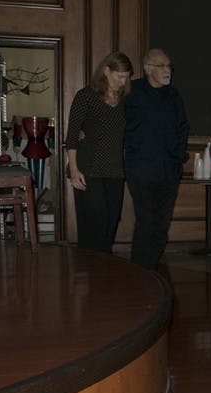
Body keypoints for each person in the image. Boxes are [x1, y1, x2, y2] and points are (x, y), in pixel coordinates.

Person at [124, 48, 189, 270]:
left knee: (162, 223)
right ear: (148, 69)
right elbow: (114, 121)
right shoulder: (132, 92)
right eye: (162, 66)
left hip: (169, 171)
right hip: (140, 170)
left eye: (169, 66)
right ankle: (139, 271)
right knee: (146, 220)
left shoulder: (173, 95)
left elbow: (183, 127)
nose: (167, 70)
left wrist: (177, 157)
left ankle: (151, 267)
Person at [65, 52, 133, 253]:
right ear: (106, 71)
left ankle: (103, 268)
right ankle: (89, 268)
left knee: (110, 225)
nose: (123, 82)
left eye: (126, 77)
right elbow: (72, 135)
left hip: (115, 171)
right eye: (119, 76)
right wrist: (74, 171)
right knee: (95, 225)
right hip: (88, 170)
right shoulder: (86, 96)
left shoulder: (125, 101)